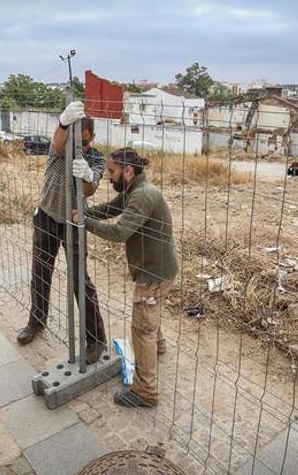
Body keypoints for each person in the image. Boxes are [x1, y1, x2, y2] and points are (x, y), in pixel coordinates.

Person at [80, 147, 179, 408]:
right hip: (158, 271)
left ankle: (145, 392)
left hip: (153, 275)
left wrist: (83, 223)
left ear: (128, 170)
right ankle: (158, 346)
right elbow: (110, 209)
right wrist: (85, 212)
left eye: (111, 172)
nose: (108, 177)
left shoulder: (142, 196)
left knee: (141, 330)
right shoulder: (134, 190)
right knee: (150, 318)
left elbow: (119, 233)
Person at [17, 101, 108, 365]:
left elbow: (91, 188)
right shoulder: (59, 149)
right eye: (76, 140)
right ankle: (36, 322)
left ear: (93, 138)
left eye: (87, 141)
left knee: (81, 281)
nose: (82, 146)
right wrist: (62, 123)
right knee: (41, 272)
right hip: (46, 216)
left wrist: (88, 176)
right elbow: (58, 143)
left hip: (74, 222)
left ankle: (95, 338)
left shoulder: (96, 157)